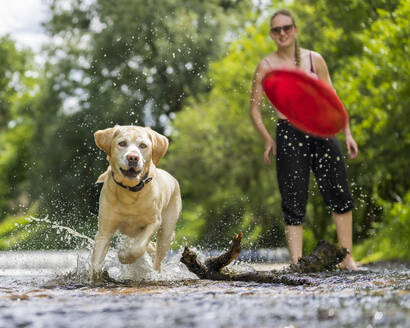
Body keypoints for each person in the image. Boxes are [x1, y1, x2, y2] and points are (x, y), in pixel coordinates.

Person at [249, 9, 358, 270]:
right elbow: (255, 109)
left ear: (295, 30)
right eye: (277, 30)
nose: (283, 33)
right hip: (288, 132)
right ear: (271, 35)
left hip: (321, 130)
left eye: (287, 27)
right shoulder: (266, 66)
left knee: (339, 191)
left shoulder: (314, 59)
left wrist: (347, 132)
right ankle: (297, 262)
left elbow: (333, 100)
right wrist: (267, 140)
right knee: (293, 198)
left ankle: (347, 257)